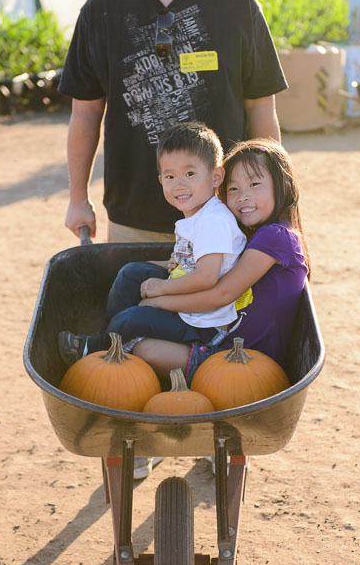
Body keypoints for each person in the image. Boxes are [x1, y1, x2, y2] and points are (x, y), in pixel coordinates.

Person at [58, 0, 289, 244]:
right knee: (136, 302)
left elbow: (262, 109)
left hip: (225, 216)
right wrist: (77, 198)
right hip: (133, 220)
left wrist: (275, 195)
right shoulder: (102, 10)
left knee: (218, 304)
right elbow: (85, 114)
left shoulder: (236, 5)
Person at [58, 122, 246, 363]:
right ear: (161, 181)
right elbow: (189, 263)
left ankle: (97, 350)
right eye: (170, 176)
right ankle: (107, 337)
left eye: (190, 174)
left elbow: (206, 277)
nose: (179, 184)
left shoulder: (213, 220)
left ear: (216, 176)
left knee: (132, 319)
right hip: (189, 304)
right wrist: (167, 267)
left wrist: (160, 288)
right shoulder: (197, 215)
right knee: (132, 273)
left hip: (204, 323)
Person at [132, 137, 310, 383]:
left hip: (244, 363)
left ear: (283, 186)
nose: (242, 197)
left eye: (254, 184)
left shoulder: (275, 236)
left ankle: (100, 349)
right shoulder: (253, 235)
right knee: (135, 278)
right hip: (224, 344)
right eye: (233, 188)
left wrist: (158, 301)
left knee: (144, 348)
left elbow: (221, 295)